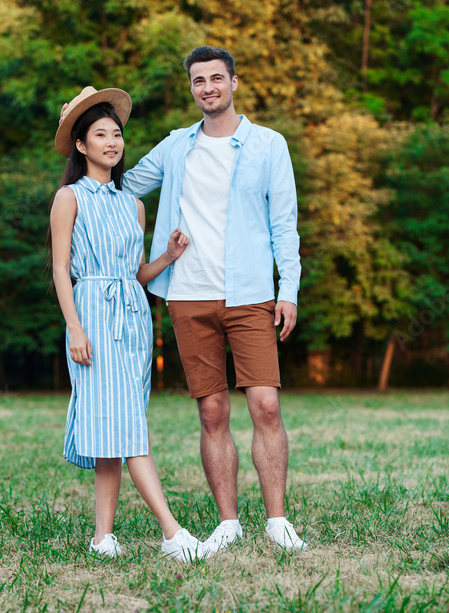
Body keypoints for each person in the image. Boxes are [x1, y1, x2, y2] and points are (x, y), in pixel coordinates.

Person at [120, 46, 306, 552]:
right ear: (192, 89)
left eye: (216, 79)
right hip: (188, 295)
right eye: (198, 81)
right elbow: (124, 185)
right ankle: (228, 522)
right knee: (212, 412)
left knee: (265, 405)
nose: (208, 87)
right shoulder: (176, 146)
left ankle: (277, 520)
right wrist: (83, 154)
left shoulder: (268, 145)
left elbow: (284, 226)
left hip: (249, 296)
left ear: (234, 83)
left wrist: (286, 290)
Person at [50, 86, 209, 563]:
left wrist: (168, 256)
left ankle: (102, 538)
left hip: (134, 318)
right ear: (82, 145)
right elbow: (61, 269)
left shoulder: (133, 203)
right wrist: (75, 328)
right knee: (126, 428)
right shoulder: (68, 198)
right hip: (93, 314)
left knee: (113, 430)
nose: (112, 142)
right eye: (100, 134)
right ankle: (172, 532)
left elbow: (136, 273)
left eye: (116, 134)